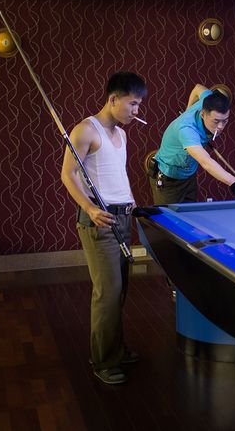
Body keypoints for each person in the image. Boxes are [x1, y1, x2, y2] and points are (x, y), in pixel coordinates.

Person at [60, 70, 147, 386]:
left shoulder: (121, 135)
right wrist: (91, 208)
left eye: (138, 105)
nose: (136, 111)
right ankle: (103, 360)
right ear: (113, 99)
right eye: (133, 104)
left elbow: (117, 176)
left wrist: (132, 202)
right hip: (99, 220)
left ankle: (116, 348)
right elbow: (68, 175)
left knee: (120, 289)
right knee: (107, 292)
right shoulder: (86, 130)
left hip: (122, 215)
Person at [149, 84, 235, 204]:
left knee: (190, 216)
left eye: (224, 121)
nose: (220, 127)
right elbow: (206, 162)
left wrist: (188, 109)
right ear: (203, 114)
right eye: (216, 121)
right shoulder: (186, 129)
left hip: (189, 175)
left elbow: (198, 88)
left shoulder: (208, 99)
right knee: (168, 221)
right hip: (168, 179)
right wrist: (233, 182)